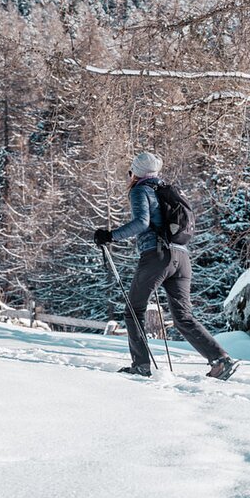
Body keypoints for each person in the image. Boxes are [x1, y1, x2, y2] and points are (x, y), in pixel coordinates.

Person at [94, 151, 238, 380]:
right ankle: (220, 359)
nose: (129, 176)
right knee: (183, 317)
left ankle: (141, 366)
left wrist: (110, 236)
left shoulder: (141, 189)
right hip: (182, 258)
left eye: (130, 172)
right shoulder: (168, 191)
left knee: (133, 311)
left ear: (136, 173)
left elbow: (142, 223)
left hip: (157, 256)